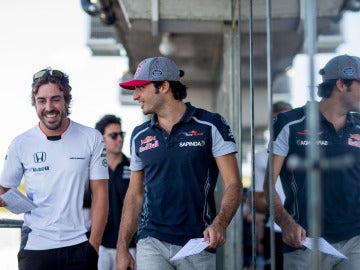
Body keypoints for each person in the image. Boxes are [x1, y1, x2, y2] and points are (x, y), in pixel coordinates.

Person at [115, 56, 242, 270]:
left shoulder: (211, 125)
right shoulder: (139, 135)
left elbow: (234, 185)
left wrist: (219, 224)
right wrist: (122, 247)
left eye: (140, 87)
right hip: (151, 240)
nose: (135, 96)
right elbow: (134, 194)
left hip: (198, 243)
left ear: (163, 86)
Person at [0, 67, 109, 270]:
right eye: (42, 101)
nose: (49, 107)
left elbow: (101, 194)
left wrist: (93, 245)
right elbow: (5, 189)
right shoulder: (21, 143)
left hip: (79, 247)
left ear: (66, 100)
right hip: (35, 248)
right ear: (35, 103)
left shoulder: (91, 138)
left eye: (55, 99)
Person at [263, 54, 360, 269]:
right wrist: (286, 223)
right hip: (304, 241)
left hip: (356, 240)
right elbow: (269, 184)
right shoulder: (290, 123)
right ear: (342, 84)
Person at [248, 101, 292, 270]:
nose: (282, 124)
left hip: (310, 228)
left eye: (286, 119)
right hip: (275, 230)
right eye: (277, 120)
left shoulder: (310, 151)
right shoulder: (261, 157)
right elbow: (255, 202)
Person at [94, 114, 136, 269]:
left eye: (122, 134)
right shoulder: (93, 169)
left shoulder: (134, 168)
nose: (120, 139)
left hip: (130, 246)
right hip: (100, 246)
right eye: (114, 135)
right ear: (102, 139)